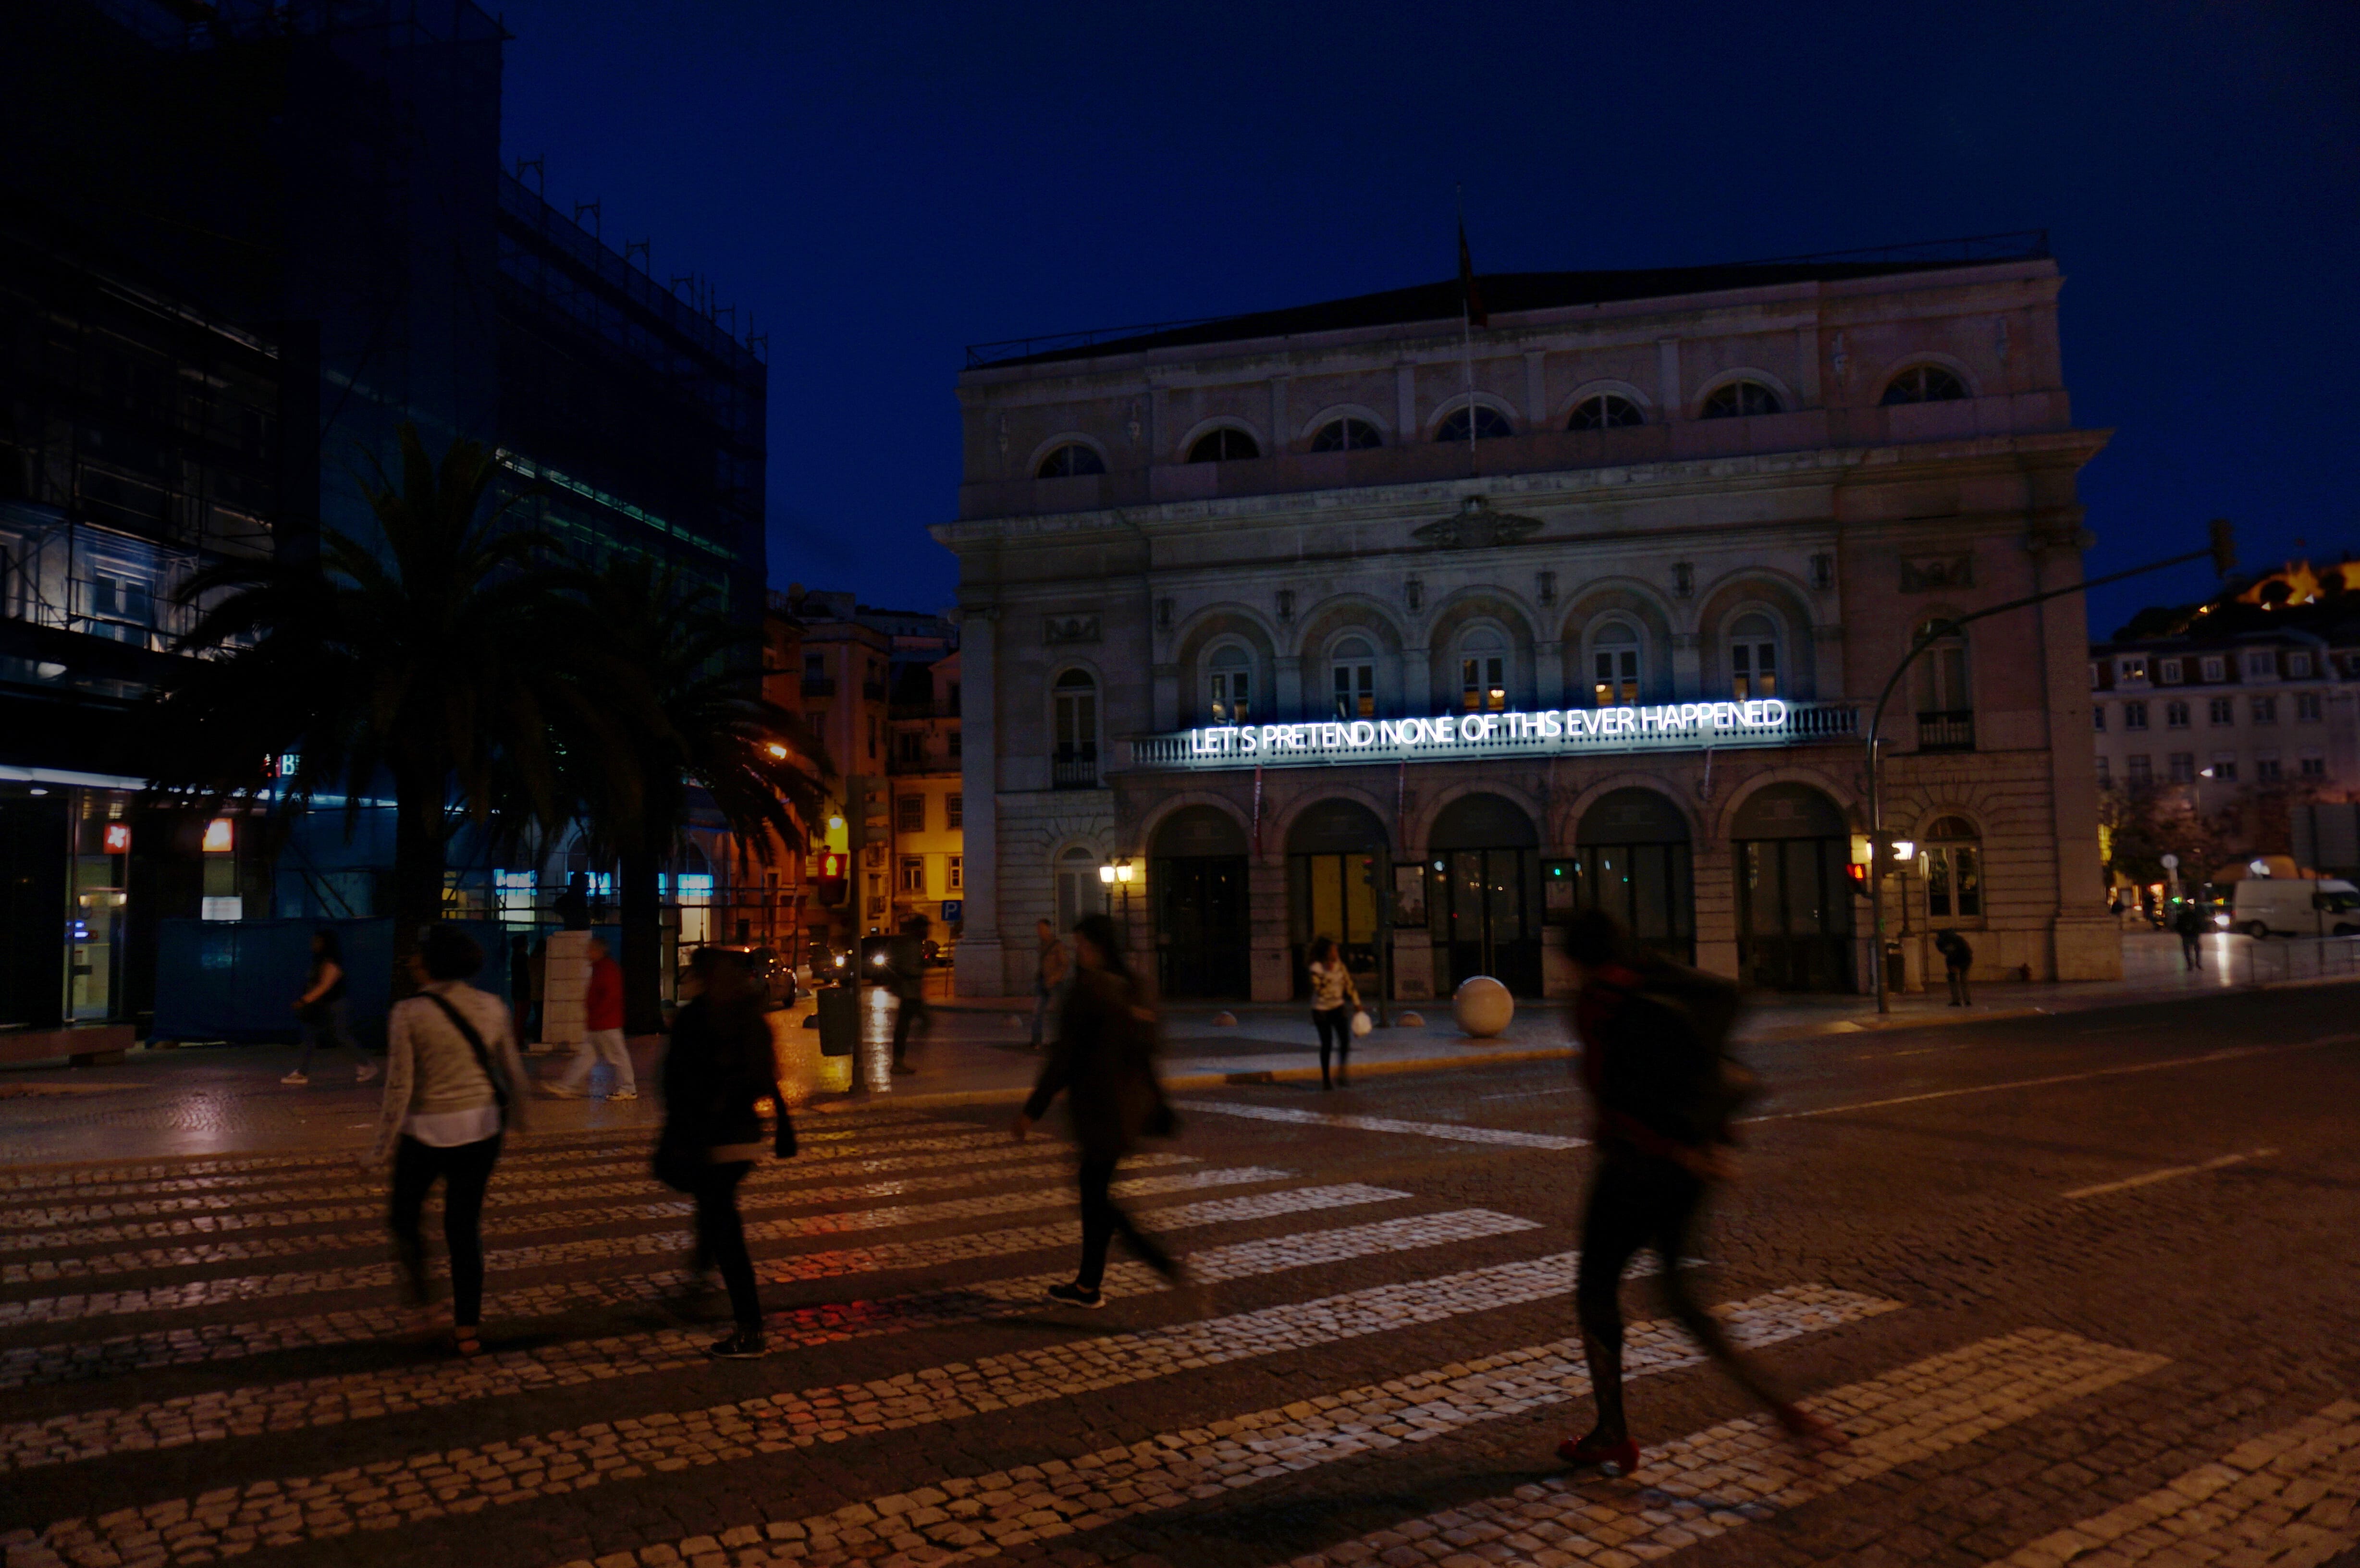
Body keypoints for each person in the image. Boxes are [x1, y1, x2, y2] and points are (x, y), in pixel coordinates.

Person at [1556, 908, 1836, 1475]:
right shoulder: (1663, 981)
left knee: (1595, 1289)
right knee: (1682, 1298)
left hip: (1637, 1167)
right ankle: (1779, 1406)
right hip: (1695, 1168)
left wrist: (1648, 1140)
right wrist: (1705, 1143)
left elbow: (1613, 1095)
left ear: (1574, 957)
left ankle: (1612, 1432)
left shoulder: (1598, 1001)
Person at [1012, 913, 1186, 1309]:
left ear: (1097, 946)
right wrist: (1159, 1103)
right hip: (1128, 1112)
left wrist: (1031, 1111)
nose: (1078, 953)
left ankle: (1152, 1258)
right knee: (1096, 1193)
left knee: (1097, 1197)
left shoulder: (1090, 991)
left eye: (1082, 946)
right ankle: (1089, 1285)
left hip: (1099, 1111)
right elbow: (1148, 1052)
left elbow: (1064, 1059)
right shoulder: (1135, 989)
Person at [373, 926, 532, 1358]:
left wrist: (382, 1146)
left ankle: (427, 1307)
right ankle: (467, 1332)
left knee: (404, 1217)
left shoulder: (408, 1012)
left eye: (419, 956)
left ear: (432, 963)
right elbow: (512, 1070)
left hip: (426, 1130)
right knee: (464, 1228)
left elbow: (400, 1084)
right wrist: (522, 1121)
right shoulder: (491, 1006)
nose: (412, 962)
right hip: (481, 1130)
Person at [660, 945, 792, 1358]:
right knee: (716, 1209)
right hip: (743, 1138)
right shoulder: (751, 1016)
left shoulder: (698, 1017)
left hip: (709, 1138)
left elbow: (675, 1083)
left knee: (726, 1231)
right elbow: (764, 1076)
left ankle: (750, 1330)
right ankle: (701, 1267)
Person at [544, 934, 637, 1100]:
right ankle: (567, 1086)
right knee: (588, 1057)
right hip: (601, 1023)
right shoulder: (602, 967)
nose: (587, 952)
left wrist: (597, 1014)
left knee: (616, 1057)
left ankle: (628, 1088)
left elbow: (610, 996)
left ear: (599, 951)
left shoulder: (607, 969)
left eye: (591, 949)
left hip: (606, 1023)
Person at [287, 928, 374, 1086]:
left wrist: (304, 1000)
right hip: (321, 1006)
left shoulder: (331, 963)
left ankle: (367, 1065)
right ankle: (302, 1072)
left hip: (334, 1005)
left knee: (340, 1035)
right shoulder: (320, 962)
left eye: (318, 941)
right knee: (310, 1037)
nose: (314, 944)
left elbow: (324, 986)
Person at [1306, 936, 1359, 1090]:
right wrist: (1328, 975)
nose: (1337, 952)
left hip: (1338, 1007)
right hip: (1321, 1010)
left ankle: (1342, 1073)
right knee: (1327, 1044)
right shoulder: (1316, 968)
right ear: (1327, 953)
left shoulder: (1340, 966)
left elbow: (1349, 984)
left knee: (1345, 1040)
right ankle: (1326, 1080)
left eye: (1337, 949)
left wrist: (1357, 1003)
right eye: (1334, 950)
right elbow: (1321, 991)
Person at [887, 916, 929, 1076]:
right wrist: (921, 968)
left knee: (906, 1026)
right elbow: (909, 969)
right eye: (925, 928)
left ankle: (901, 1059)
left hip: (910, 992)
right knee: (906, 1027)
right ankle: (900, 1061)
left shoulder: (913, 944)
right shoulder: (911, 945)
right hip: (909, 992)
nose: (928, 932)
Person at [1029, 917, 1070, 1051]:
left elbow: (1064, 964)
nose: (1040, 931)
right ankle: (1036, 1041)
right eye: (1038, 929)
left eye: (1042, 928)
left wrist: (1055, 978)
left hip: (1055, 982)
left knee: (1059, 1013)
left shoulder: (1057, 945)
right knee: (1037, 1012)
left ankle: (1062, 1041)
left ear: (1048, 929)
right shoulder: (1041, 945)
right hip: (1042, 981)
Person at [1933, 929, 1973, 1006]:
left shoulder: (1947, 942)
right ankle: (1966, 1000)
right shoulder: (1957, 939)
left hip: (1963, 960)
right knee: (1963, 980)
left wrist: (1953, 967)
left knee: (1957, 980)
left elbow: (1950, 955)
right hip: (1965, 959)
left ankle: (1957, 1000)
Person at [2174, 898, 2207, 971]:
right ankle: (2196, 963)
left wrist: (2182, 932)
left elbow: (2177, 926)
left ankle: (2190, 964)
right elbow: (2200, 924)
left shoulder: (2182, 916)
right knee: (2196, 949)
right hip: (2193, 935)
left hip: (2187, 935)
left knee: (2187, 950)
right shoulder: (2194, 915)